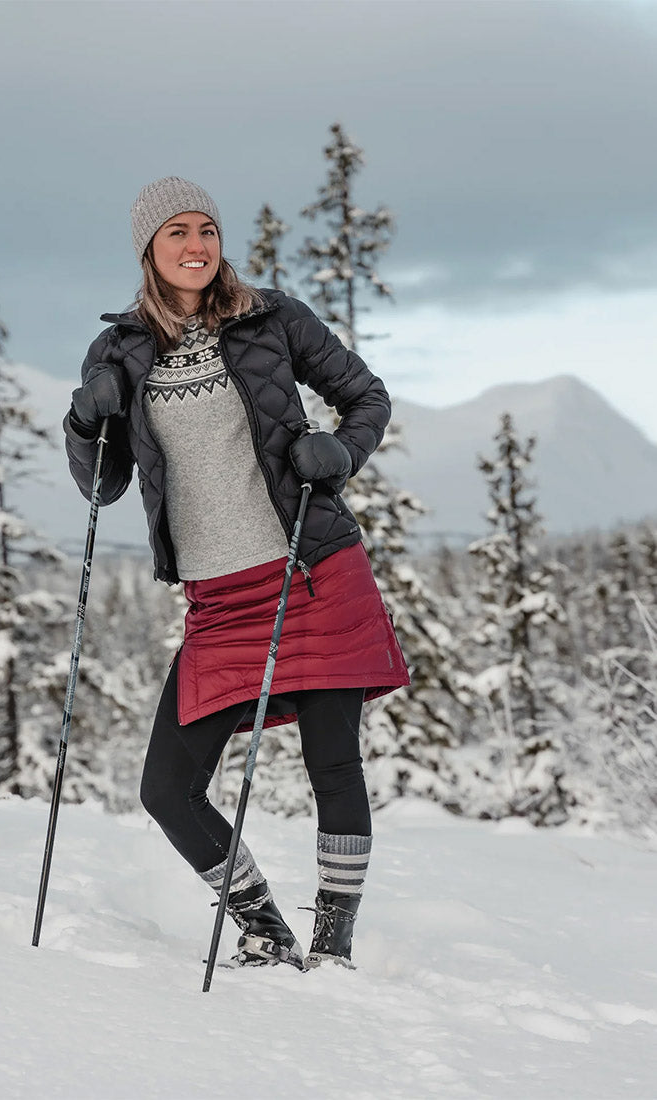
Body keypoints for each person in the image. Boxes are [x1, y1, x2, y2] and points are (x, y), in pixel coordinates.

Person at [63, 177, 409, 970]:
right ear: (148, 248)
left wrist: (341, 451)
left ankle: (332, 944)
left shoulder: (273, 318)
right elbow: (104, 485)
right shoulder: (118, 352)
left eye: (207, 230)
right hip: (218, 601)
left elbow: (366, 397)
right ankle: (264, 923)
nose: (196, 245)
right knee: (167, 789)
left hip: (311, 573)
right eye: (177, 232)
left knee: (333, 764)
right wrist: (84, 420)